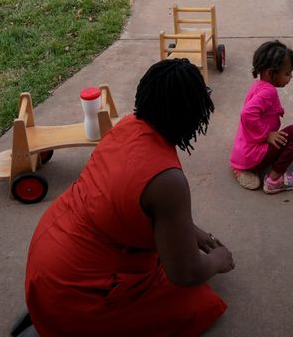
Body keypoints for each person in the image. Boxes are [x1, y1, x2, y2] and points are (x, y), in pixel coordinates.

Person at [24, 59, 234, 336]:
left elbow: (123, 200)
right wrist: (218, 260)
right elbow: (185, 273)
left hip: (47, 262)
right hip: (74, 298)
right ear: (193, 113)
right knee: (200, 303)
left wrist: (190, 231)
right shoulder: (168, 181)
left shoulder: (127, 126)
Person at [229, 40, 293, 193]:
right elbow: (247, 114)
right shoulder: (268, 92)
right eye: (287, 73)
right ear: (270, 73)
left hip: (244, 152)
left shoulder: (258, 86)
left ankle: (242, 167)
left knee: (285, 136)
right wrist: (267, 135)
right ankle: (274, 180)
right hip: (253, 155)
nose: (290, 77)